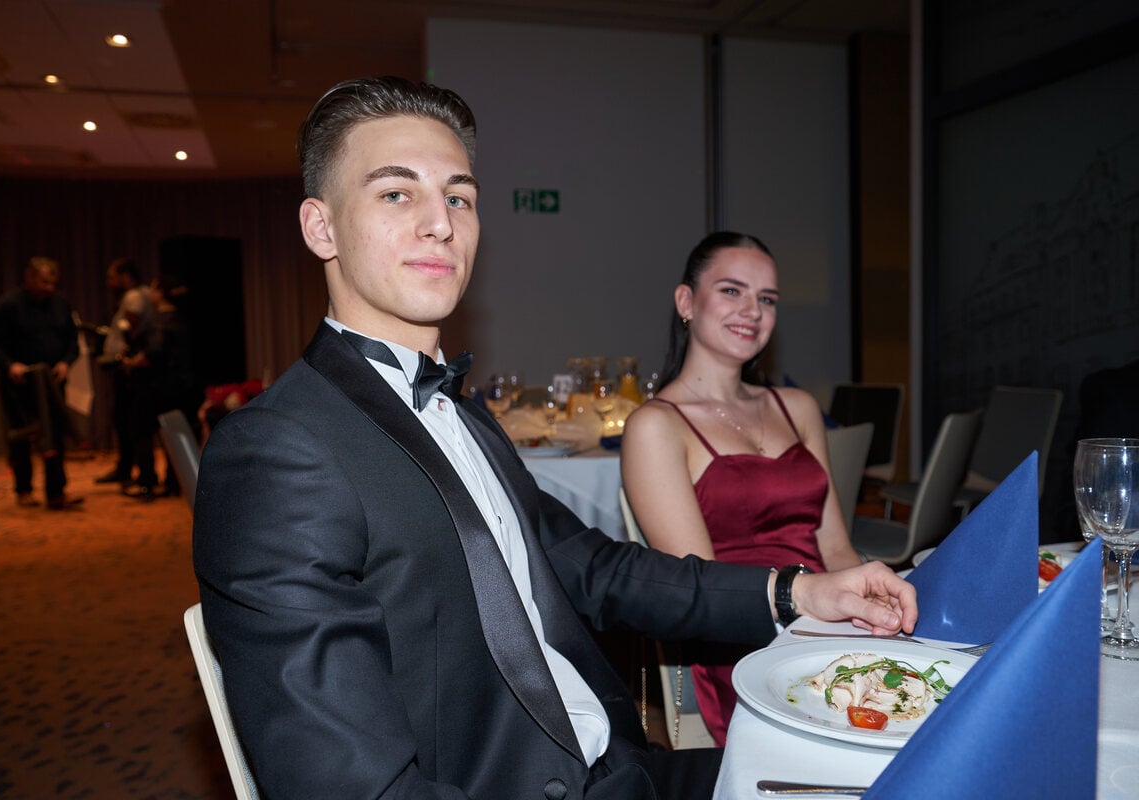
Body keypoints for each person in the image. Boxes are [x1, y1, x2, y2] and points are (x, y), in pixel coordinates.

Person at [193, 77, 916, 800]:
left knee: (910, 766)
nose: (440, 223)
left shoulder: (465, 416)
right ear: (321, 228)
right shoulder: (278, 450)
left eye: (458, 198)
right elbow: (349, 786)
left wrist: (798, 591)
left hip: (627, 769)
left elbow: (597, 570)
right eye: (396, 193)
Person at [620, 231, 863, 745]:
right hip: (740, 641)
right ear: (686, 302)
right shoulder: (656, 425)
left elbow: (836, 547)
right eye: (732, 290)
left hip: (825, 619)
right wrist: (811, 610)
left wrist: (866, 605)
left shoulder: (797, 407)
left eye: (767, 299)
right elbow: (701, 588)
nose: (752, 311)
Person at [0, 257, 83, 510]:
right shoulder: (8, 305)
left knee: (55, 435)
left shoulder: (60, 303)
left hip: (52, 382)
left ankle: (56, 492)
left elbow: (72, 340)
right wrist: (9, 365)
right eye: (44, 282)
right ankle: (23, 490)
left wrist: (65, 362)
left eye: (53, 283)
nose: (49, 288)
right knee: (22, 436)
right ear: (29, 278)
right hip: (20, 384)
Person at [119, 273, 196, 500]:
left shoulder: (157, 321)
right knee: (174, 432)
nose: (150, 293)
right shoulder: (182, 318)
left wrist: (131, 362)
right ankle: (174, 482)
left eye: (153, 289)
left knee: (141, 431)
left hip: (153, 387)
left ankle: (147, 483)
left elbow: (153, 352)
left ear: (160, 293)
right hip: (180, 386)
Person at [96, 258, 153, 487]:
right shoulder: (139, 295)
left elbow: (132, 330)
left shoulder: (134, 296)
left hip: (128, 368)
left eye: (112, 277)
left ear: (125, 276)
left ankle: (132, 469)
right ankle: (128, 467)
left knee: (126, 419)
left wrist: (126, 358)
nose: (108, 282)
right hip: (128, 366)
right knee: (126, 418)